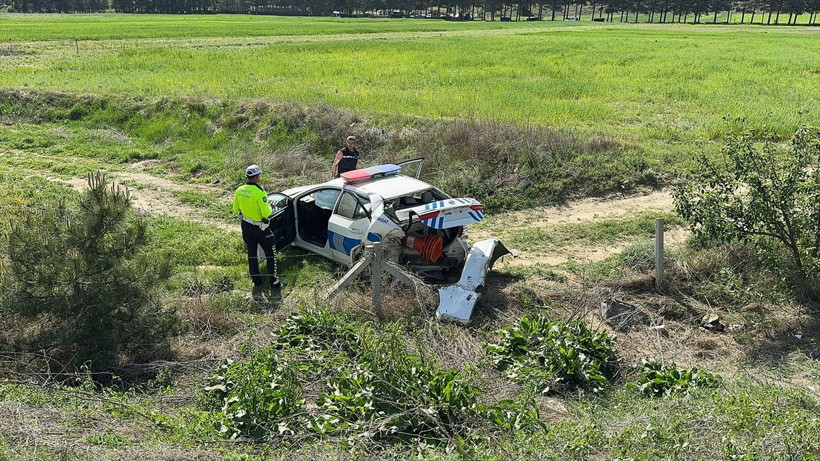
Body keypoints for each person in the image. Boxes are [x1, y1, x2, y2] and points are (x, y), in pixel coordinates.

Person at [233, 164, 282, 291]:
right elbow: (266, 213)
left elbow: (235, 209)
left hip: (246, 226)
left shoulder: (239, 190)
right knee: (271, 253)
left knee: (252, 252)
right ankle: (274, 281)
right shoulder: (260, 193)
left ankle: (256, 280)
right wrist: (270, 206)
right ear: (256, 177)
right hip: (260, 228)